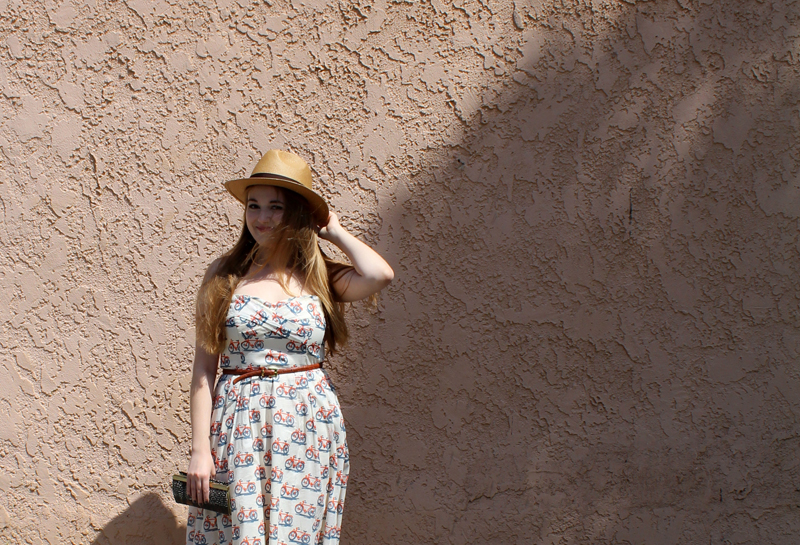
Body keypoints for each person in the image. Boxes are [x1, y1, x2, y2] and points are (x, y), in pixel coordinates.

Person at [184, 149, 393, 545]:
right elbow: (203, 370)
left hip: (307, 426)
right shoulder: (226, 274)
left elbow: (379, 274)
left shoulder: (321, 277)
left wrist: (333, 229)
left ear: (297, 213)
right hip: (237, 426)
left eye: (275, 207)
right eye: (254, 205)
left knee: (295, 535)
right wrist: (200, 451)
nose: (261, 218)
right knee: (235, 533)